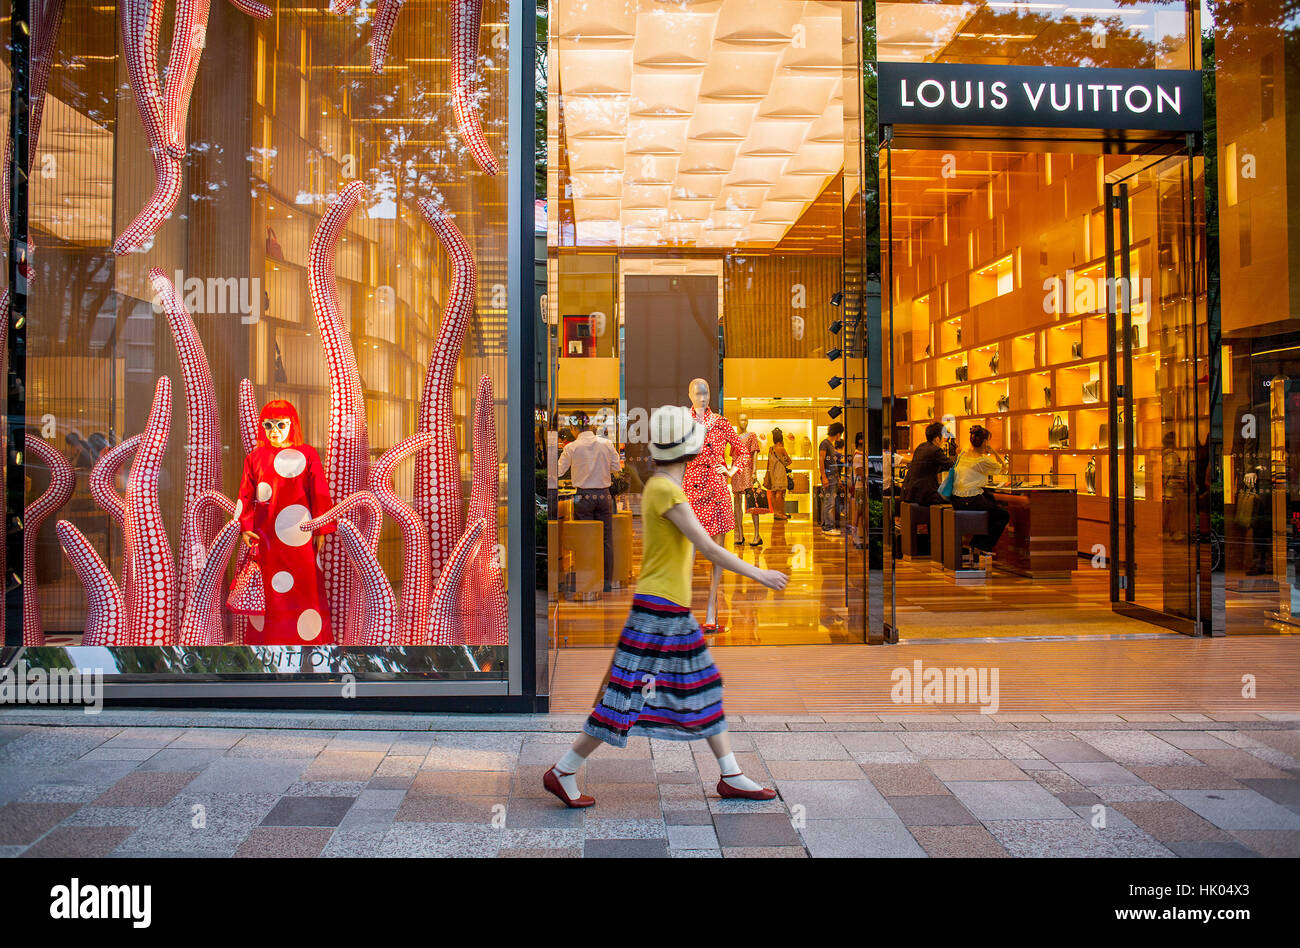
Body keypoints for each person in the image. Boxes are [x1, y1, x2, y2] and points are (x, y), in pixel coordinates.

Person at [543, 406, 790, 809]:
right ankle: (565, 769)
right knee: (625, 695)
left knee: (696, 687)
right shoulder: (667, 491)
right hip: (661, 611)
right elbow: (709, 547)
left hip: (667, 609)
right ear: (691, 450)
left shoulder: (663, 487)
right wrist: (760, 574)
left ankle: (730, 774)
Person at [234, 400, 335, 644]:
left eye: (280, 424)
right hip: (266, 537)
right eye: (268, 425)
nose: (274, 430)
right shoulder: (255, 458)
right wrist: (245, 528)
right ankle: (267, 644)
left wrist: (321, 529)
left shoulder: (308, 454)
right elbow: (245, 495)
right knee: (269, 592)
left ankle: (307, 641)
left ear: (292, 425)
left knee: (302, 589)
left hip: (300, 537)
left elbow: (319, 492)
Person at [682, 378, 751, 635]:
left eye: (706, 392)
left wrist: (731, 470)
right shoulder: (681, 423)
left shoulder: (720, 423)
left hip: (717, 489)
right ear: (689, 394)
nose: (702, 397)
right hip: (690, 490)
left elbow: (742, 451)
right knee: (686, 555)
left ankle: (711, 610)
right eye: (697, 393)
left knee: (717, 555)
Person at [557, 411, 622, 591]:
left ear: (573, 427)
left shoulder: (572, 447)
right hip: (603, 496)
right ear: (590, 425)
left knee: (584, 540)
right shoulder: (606, 443)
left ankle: (587, 582)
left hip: (583, 497)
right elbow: (616, 467)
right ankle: (606, 582)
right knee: (606, 540)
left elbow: (558, 471)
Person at [950, 424, 1010, 563]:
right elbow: (1004, 468)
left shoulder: (963, 453)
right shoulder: (982, 460)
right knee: (1002, 515)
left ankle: (976, 544)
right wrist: (993, 451)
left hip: (956, 499)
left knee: (991, 504)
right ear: (985, 442)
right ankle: (980, 545)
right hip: (969, 500)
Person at [902, 422, 955, 507]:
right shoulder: (936, 450)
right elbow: (952, 465)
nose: (945, 440)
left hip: (909, 494)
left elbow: (928, 466)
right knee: (953, 501)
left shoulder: (920, 447)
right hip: (925, 496)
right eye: (944, 437)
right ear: (937, 439)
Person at [730, 413, 763, 547]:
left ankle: (757, 535)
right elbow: (732, 455)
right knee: (737, 502)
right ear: (738, 422)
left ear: (748, 421)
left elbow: (754, 453)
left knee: (752, 502)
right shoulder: (734, 437)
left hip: (748, 470)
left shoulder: (752, 435)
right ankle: (739, 534)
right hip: (736, 470)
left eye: (745, 419)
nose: (743, 422)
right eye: (741, 420)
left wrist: (755, 471)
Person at [819, 421, 845, 534]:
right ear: (838, 433)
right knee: (829, 502)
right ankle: (828, 527)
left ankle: (826, 525)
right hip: (829, 476)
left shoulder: (830, 444)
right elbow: (821, 460)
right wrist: (824, 476)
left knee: (829, 502)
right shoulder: (825, 443)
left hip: (832, 476)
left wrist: (838, 478)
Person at [765, 427, 793, 520]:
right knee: (780, 493)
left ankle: (776, 513)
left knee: (773, 493)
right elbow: (789, 461)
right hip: (780, 472)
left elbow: (768, 462)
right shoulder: (782, 449)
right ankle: (780, 513)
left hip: (772, 472)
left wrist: (767, 473)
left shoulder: (770, 449)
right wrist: (784, 463)